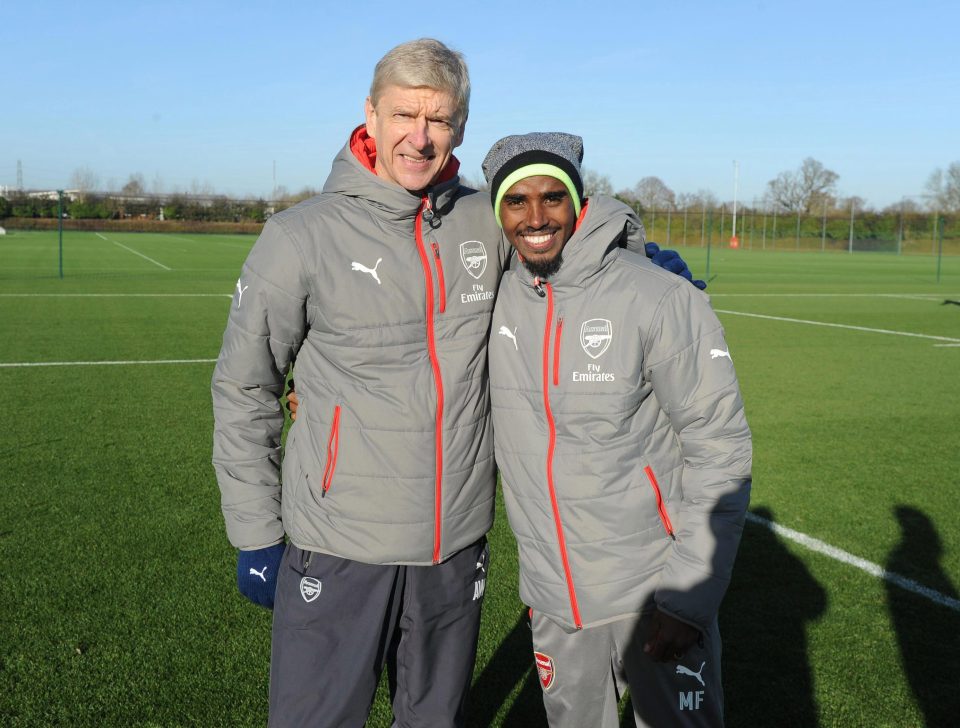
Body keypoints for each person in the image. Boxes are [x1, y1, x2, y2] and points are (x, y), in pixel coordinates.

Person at [214, 39, 703, 727]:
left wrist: (639, 257)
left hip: (455, 544)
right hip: (340, 542)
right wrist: (255, 531)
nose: (420, 136)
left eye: (439, 120)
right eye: (405, 115)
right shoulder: (300, 237)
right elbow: (244, 387)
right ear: (370, 115)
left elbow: (563, 232)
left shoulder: (481, 218)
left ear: (460, 129)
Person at [482, 132, 752, 727]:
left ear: (579, 201)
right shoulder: (493, 297)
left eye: (552, 197)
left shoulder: (656, 294)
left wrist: (687, 596)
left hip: (651, 590)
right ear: (496, 212)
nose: (535, 216)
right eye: (516, 201)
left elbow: (720, 449)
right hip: (555, 599)